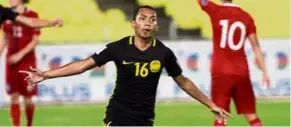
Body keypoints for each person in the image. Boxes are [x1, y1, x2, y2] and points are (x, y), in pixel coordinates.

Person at [20, 5, 232, 126]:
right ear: (134, 24)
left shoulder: (163, 53)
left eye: (152, 20)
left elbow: (184, 82)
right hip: (119, 114)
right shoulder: (118, 48)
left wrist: (210, 104)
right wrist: (46, 74)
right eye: (142, 18)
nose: (147, 23)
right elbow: (83, 65)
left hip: (145, 118)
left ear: (156, 25)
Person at [197, 0, 271, 126]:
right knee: (251, 115)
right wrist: (265, 72)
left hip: (221, 71)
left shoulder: (216, 10)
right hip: (241, 71)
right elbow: (256, 46)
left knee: (220, 116)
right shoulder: (246, 17)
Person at [0, 0, 43, 126]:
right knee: (13, 96)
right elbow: (5, 38)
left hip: (27, 62)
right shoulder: (7, 15)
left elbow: (35, 41)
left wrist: (20, 54)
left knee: (28, 99)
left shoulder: (33, 15)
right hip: (11, 62)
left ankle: (29, 124)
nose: (10, 0)